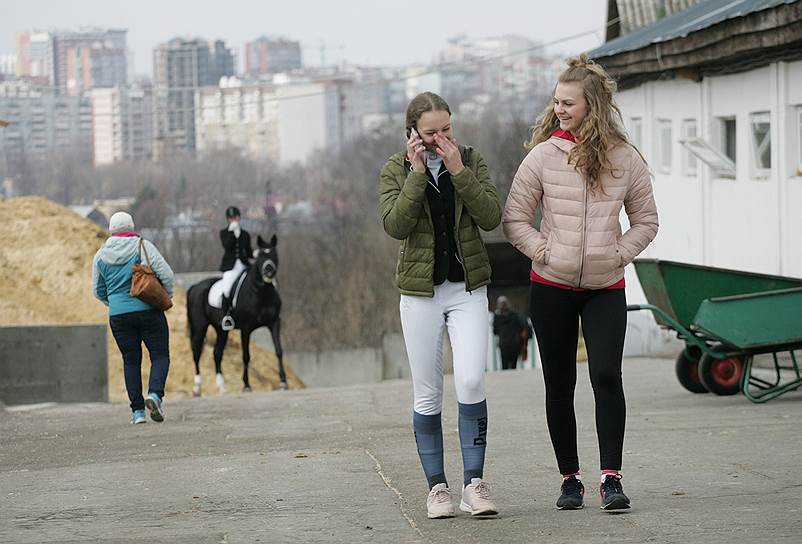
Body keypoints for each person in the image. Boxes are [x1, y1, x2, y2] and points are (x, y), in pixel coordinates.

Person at [502, 54, 658, 511]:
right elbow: (515, 219)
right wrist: (546, 252)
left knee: (607, 375)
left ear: (592, 105)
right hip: (551, 286)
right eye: (556, 102)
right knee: (558, 384)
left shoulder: (625, 158)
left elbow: (646, 221)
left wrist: (616, 254)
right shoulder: (543, 156)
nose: (560, 109)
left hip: (604, 286)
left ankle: (612, 477)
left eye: (568, 102)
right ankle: (570, 479)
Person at [379, 91, 502, 519]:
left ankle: (475, 484)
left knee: (470, 380)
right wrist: (417, 174)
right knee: (427, 393)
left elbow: (490, 215)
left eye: (446, 129)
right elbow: (396, 224)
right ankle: (438, 489)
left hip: (468, 288)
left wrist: (457, 170)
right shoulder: (395, 168)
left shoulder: (470, 158)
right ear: (412, 132)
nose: (440, 138)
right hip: (420, 294)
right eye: (431, 132)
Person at [92, 211, 175, 425]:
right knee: (159, 355)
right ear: (132, 226)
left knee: (130, 361)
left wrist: (115, 304)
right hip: (149, 311)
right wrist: (166, 296)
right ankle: (155, 395)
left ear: (111, 230)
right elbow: (167, 275)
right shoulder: (143, 246)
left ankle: (137, 413)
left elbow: (98, 290)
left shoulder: (100, 255)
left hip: (119, 317)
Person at [218, 206, 252, 330]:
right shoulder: (224, 233)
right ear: (228, 219)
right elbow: (227, 246)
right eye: (231, 218)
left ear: (239, 218)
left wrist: (256, 254)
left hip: (243, 266)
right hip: (230, 267)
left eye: (235, 217)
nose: (234, 220)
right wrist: (232, 234)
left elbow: (248, 252)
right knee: (226, 290)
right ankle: (226, 316)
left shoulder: (245, 234)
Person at [492, 296, 528, 370]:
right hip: (512, 342)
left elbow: (495, 331)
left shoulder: (498, 317)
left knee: (506, 365)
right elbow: (521, 327)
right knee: (512, 365)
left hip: (507, 343)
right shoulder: (514, 315)